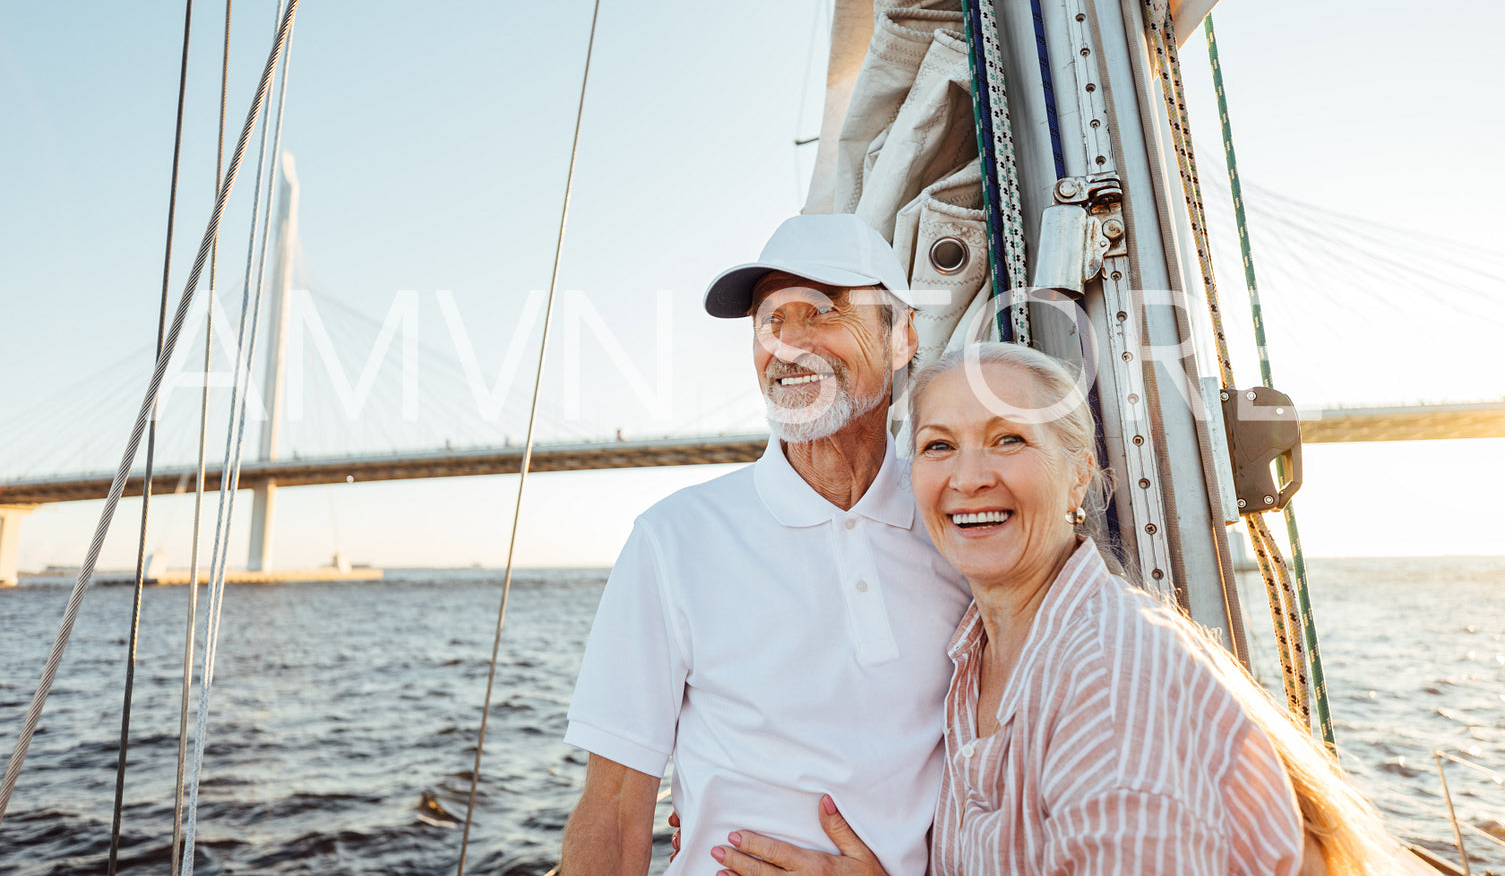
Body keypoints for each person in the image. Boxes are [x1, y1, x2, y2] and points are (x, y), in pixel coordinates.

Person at [709, 343, 1427, 876]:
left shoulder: (1109, 682)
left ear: (1078, 470)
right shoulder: (973, 653)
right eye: (937, 446)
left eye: (1008, 438)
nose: (968, 477)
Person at [559, 214, 972, 875]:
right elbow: (612, 807)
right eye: (770, 320)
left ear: (901, 339)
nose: (788, 345)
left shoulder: (960, 529)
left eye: (822, 312)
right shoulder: (673, 539)